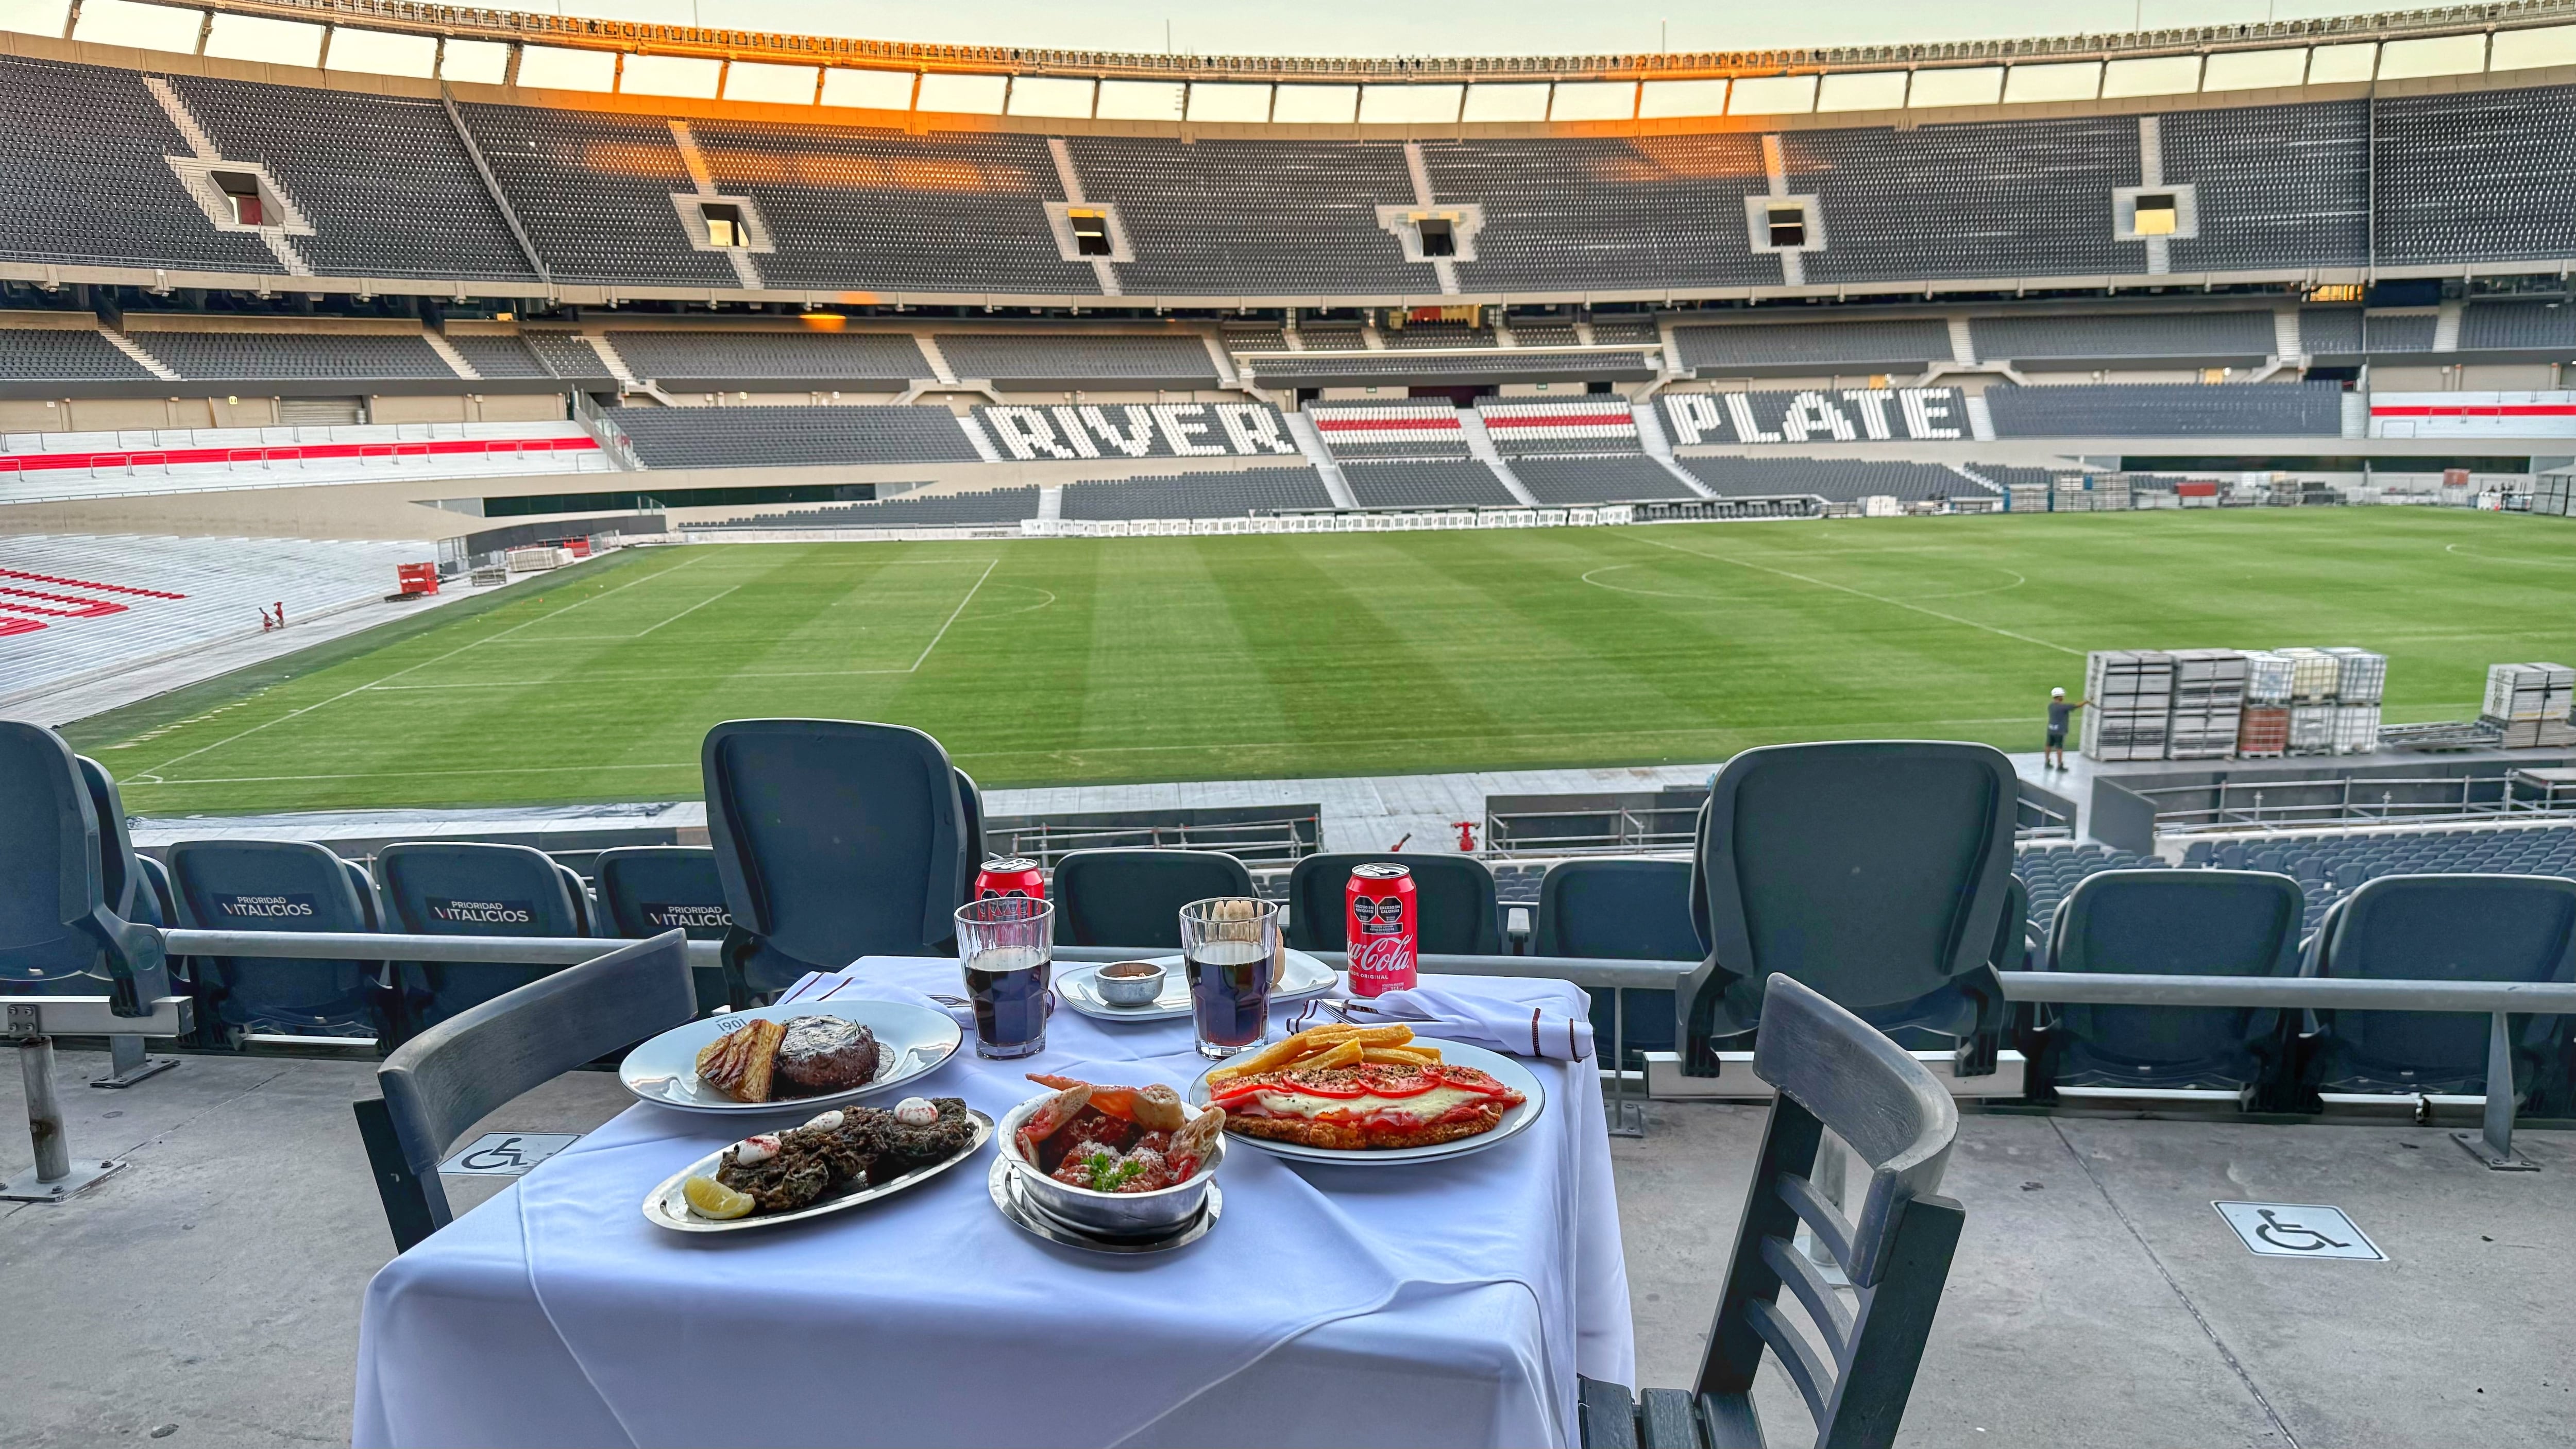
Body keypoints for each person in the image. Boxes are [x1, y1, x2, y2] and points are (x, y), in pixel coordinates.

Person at [2045, 687, 2087, 770]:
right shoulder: (2063, 707)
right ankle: (2060, 765)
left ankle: (2047, 762)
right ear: (2060, 697)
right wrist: (2087, 702)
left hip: (2051, 730)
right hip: (2059, 731)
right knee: (2059, 748)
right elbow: (2077, 706)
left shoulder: (2051, 706)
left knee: (2048, 745)